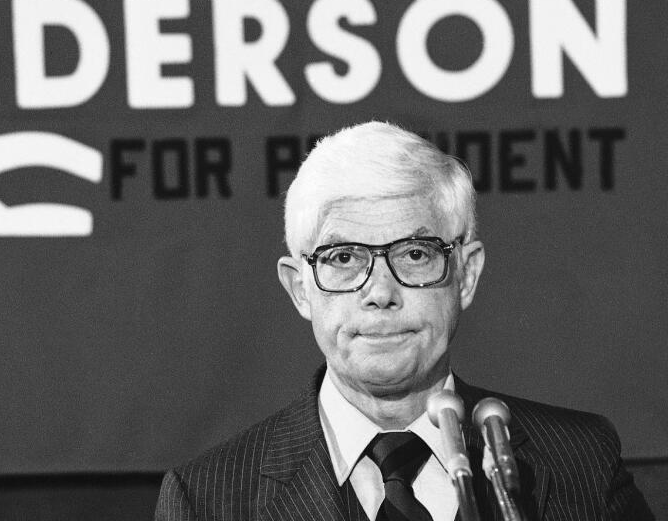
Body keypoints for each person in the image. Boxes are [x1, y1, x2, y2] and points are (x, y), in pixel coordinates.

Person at [154, 121, 652, 521]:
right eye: (344, 258)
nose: (380, 293)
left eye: (415, 253)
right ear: (299, 288)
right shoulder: (206, 500)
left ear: (466, 275)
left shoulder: (580, 462)